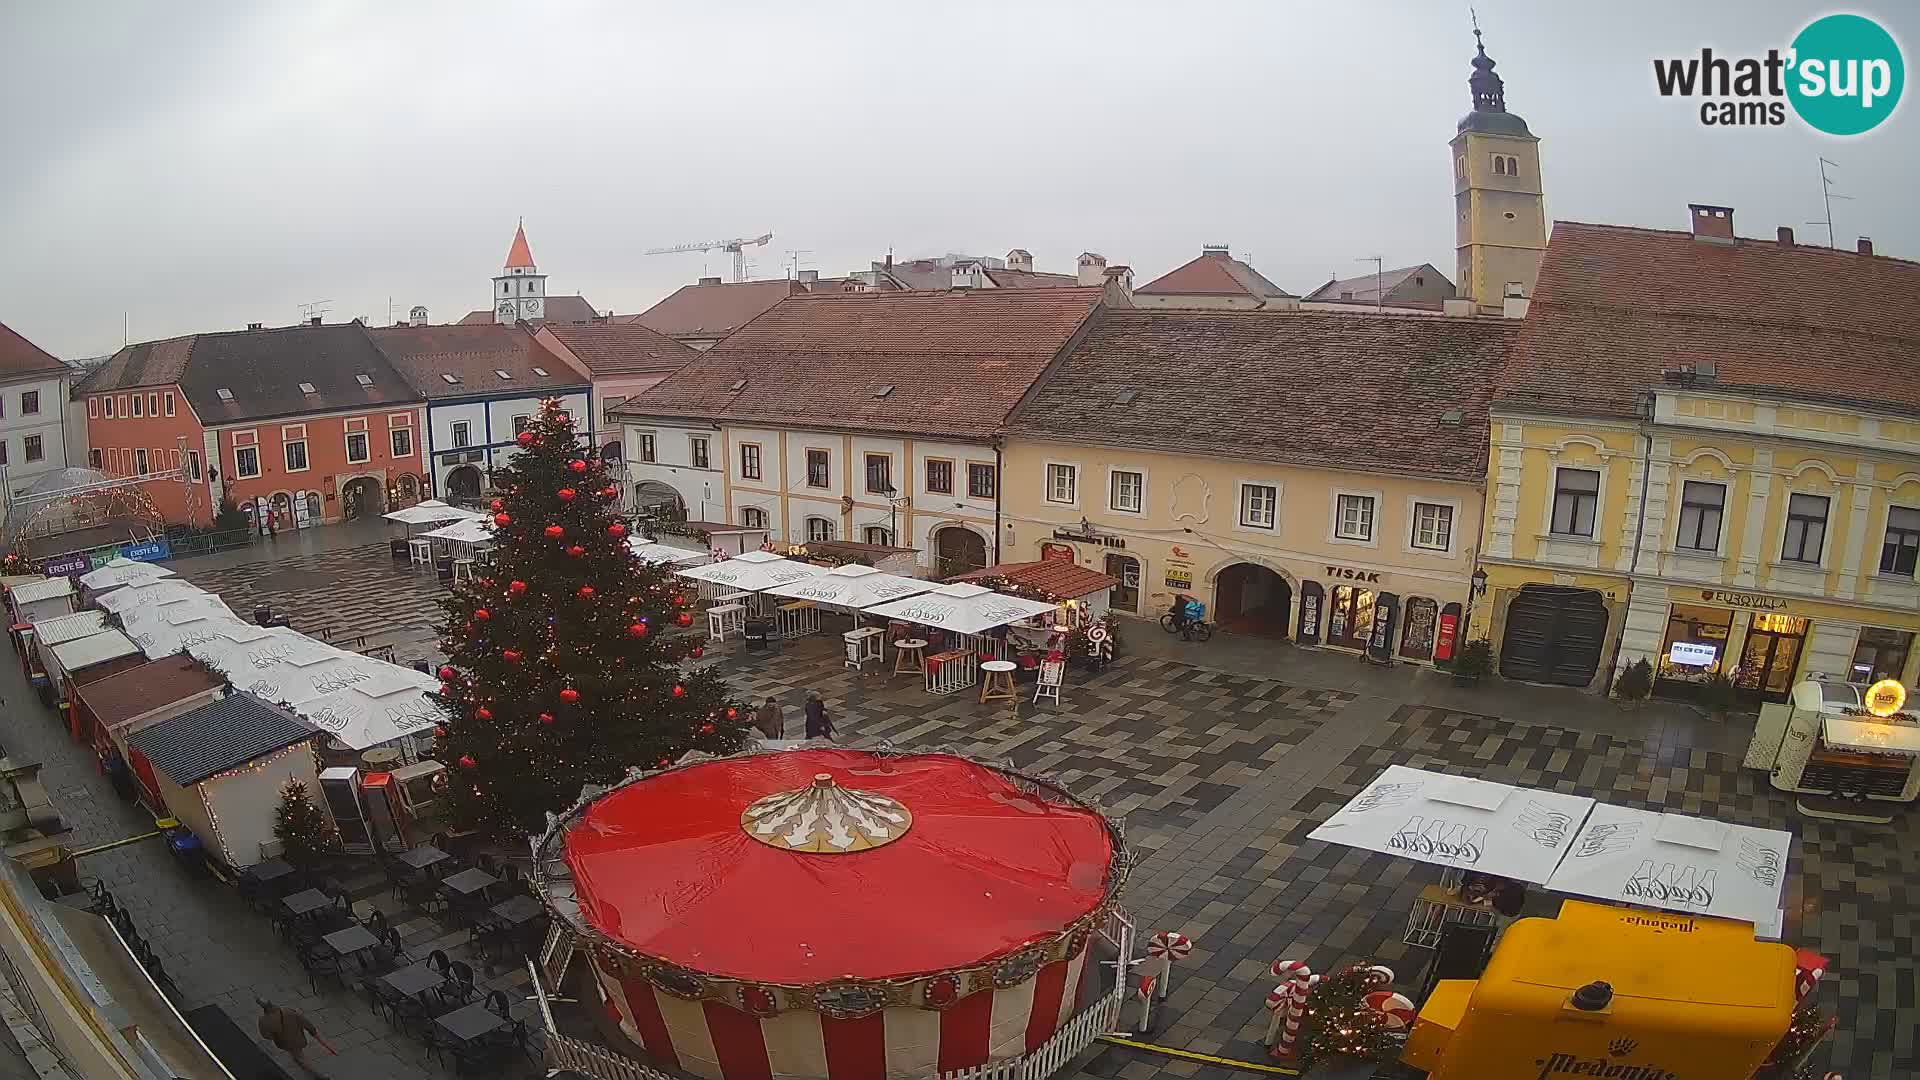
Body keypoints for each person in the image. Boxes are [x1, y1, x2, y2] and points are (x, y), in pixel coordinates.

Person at [257, 998, 333, 1077]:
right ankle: (299, 1060)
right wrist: (313, 1031)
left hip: (285, 1043)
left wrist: (275, 1036)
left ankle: (319, 1075)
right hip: (298, 1038)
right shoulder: (287, 1011)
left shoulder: (263, 1020)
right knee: (298, 1054)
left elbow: (266, 1036)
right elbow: (304, 1021)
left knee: (300, 1057)